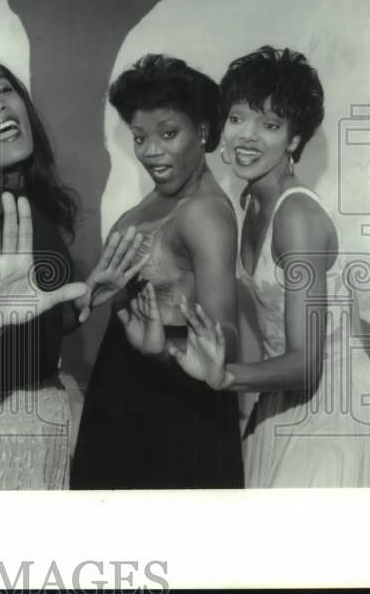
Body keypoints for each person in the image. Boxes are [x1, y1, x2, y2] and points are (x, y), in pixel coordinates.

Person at [0, 51, 144, 491]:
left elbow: (32, 330)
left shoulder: (28, 205)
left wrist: (84, 297)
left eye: (2, 88)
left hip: (41, 435)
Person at [168, 47, 370, 487]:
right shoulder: (252, 202)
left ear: (294, 140)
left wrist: (225, 377)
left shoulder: (296, 217)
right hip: (279, 400)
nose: (247, 137)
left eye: (271, 125)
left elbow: (306, 364)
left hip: (331, 413)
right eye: (238, 118)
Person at [70, 54, 244, 490]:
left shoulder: (204, 213)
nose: (151, 151)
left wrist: (163, 349)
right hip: (123, 386)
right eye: (140, 136)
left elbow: (223, 335)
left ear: (202, 132)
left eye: (169, 134)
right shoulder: (158, 198)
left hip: (172, 407)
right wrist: (93, 295)